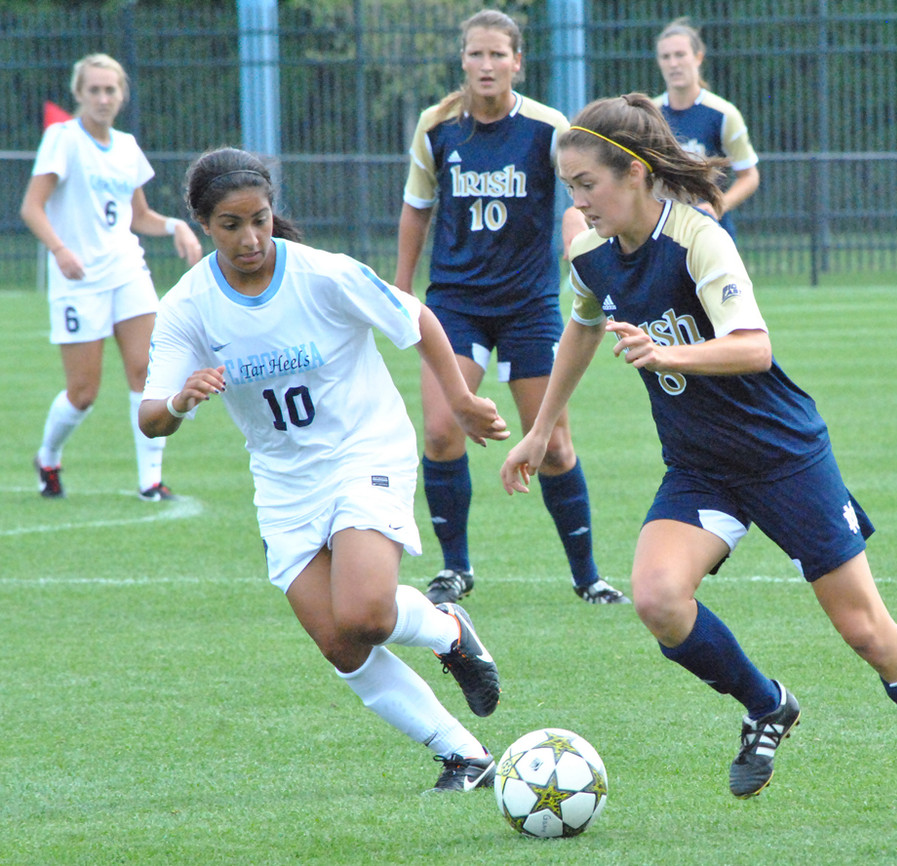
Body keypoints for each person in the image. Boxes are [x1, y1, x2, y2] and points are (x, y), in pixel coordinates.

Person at [500, 93, 897, 825]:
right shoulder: (591, 253)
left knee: (867, 632)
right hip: (701, 468)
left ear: (632, 172)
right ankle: (767, 704)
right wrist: (542, 430)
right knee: (658, 600)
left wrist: (667, 352)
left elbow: (753, 346)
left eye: (585, 184)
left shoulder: (699, 238)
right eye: (568, 186)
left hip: (784, 458)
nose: (575, 200)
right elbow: (580, 326)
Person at [139, 147, 510, 793]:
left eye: (260, 218)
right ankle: (464, 756)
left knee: (365, 612)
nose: (250, 237)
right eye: (231, 224)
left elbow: (414, 315)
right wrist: (178, 400)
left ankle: (450, 630)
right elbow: (150, 418)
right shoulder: (188, 306)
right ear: (203, 224)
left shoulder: (323, 274)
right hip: (283, 481)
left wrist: (458, 398)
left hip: (364, 452)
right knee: (341, 643)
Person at [394, 9, 627, 606]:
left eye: (499, 54)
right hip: (456, 302)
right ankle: (455, 570)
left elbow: (577, 195)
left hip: (528, 304)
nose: (487, 64)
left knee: (551, 443)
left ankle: (588, 577)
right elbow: (418, 208)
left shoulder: (548, 127)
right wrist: (401, 289)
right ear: (463, 60)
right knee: (443, 431)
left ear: (517, 62)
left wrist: (585, 248)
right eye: (476, 54)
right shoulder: (437, 126)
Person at [20, 53, 203, 500]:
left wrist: (175, 225)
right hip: (79, 277)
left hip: (126, 269)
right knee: (83, 393)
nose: (103, 98)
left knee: (146, 372)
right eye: (94, 90)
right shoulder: (62, 138)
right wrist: (60, 250)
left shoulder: (126, 146)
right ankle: (48, 457)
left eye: (111, 90)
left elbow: (138, 216)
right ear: (79, 94)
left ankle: (150, 483)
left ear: (122, 94)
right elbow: (31, 207)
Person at [653, 18, 760, 240]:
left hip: (709, 233)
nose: (673, 63)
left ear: (698, 57)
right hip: (660, 233)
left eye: (680, 55)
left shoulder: (723, 114)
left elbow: (749, 176)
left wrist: (718, 205)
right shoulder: (649, 115)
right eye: (666, 56)